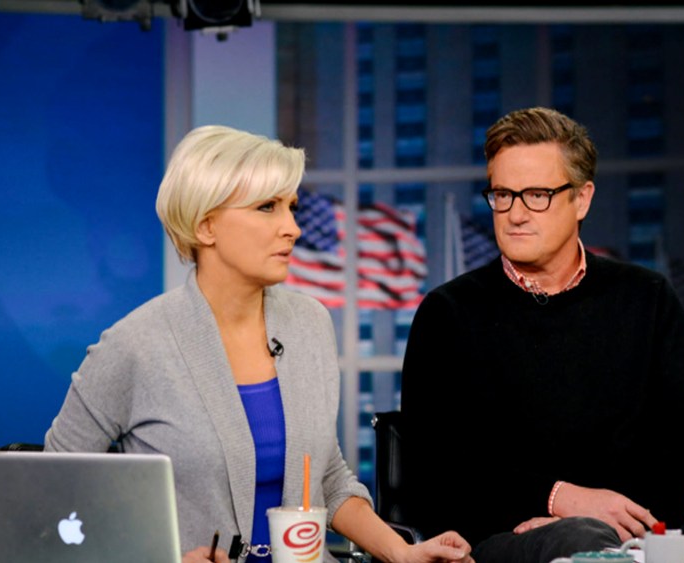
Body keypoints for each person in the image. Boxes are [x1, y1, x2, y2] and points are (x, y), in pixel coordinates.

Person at [44, 125, 473, 563]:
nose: (292, 228)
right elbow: (50, 496)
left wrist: (402, 553)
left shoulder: (310, 324)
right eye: (267, 207)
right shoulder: (134, 345)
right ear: (206, 225)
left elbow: (327, 479)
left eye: (291, 207)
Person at [399, 107, 684, 563]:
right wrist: (558, 501)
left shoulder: (646, 298)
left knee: (588, 541)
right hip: (496, 542)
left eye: (536, 195)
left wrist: (612, 519)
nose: (515, 214)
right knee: (577, 540)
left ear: (582, 199)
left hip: (632, 540)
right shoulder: (448, 313)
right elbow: (432, 471)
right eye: (503, 195)